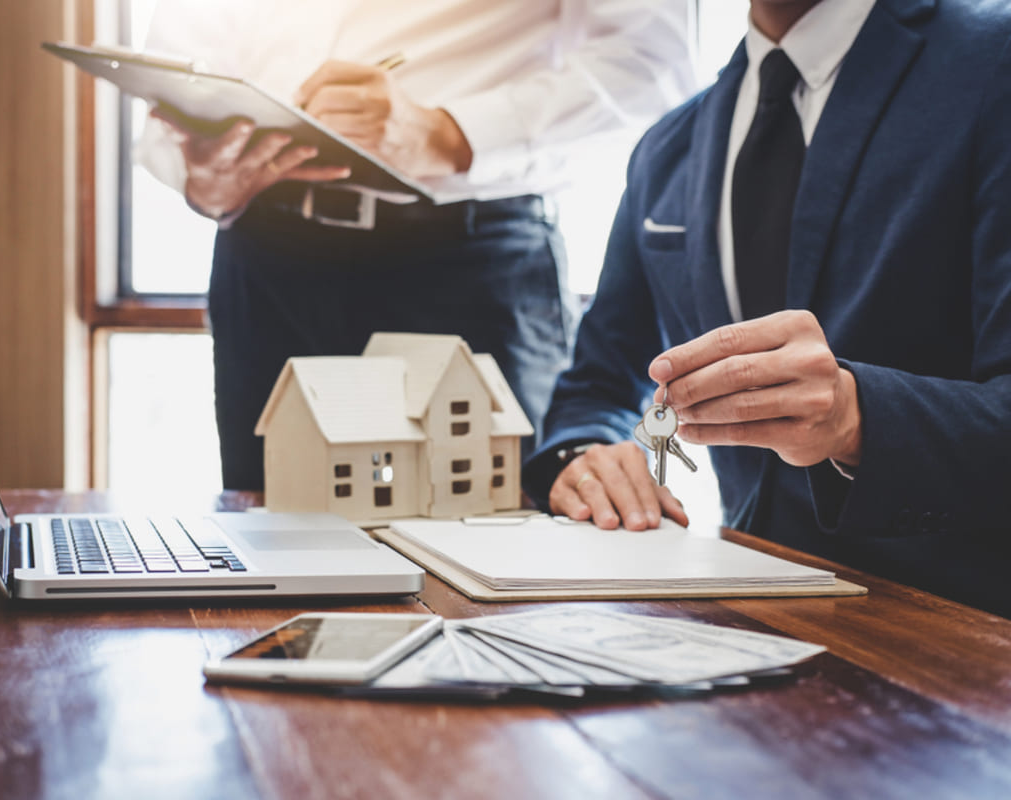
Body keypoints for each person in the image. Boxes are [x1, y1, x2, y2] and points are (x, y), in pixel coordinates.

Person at [523, 0, 1011, 617]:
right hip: (742, 619)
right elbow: (598, 382)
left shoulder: (994, 63)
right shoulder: (668, 147)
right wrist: (585, 457)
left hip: (961, 637)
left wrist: (856, 418)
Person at [135, 0, 696, 491]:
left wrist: (450, 132)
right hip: (262, 252)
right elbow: (178, 62)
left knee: (496, 548)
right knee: (270, 535)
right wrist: (198, 176)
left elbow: (650, 65)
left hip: (464, 257)